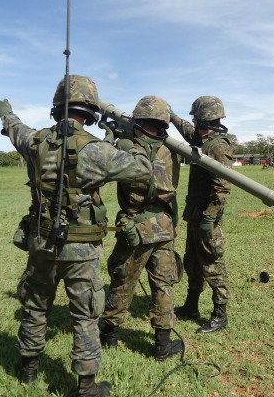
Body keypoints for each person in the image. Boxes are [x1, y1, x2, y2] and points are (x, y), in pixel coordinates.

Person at [0, 75, 152, 397]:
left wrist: (5, 113)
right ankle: (87, 386)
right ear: (90, 112)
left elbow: (14, 129)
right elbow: (143, 169)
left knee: (36, 306)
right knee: (85, 315)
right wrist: (122, 139)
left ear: (56, 108)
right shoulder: (97, 150)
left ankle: (28, 370)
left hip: (41, 243)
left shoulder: (35, 142)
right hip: (81, 249)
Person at [99, 95, 183, 361]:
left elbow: (102, 167)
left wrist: (112, 137)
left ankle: (109, 336)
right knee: (163, 285)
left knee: (123, 281)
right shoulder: (170, 149)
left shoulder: (126, 147)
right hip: (165, 224)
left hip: (137, 225)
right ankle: (162, 345)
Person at [169, 96, 233, 334]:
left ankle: (220, 314)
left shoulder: (217, 146)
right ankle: (191, 307)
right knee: (193, 262)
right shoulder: (203, 138)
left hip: (207, 218)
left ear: (200, 117)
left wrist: (209, 217)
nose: (192, 120)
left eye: (194, 116)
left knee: (212, 264)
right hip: (195, 215)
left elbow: (222, 186)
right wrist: (172, 116)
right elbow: (188, 132)